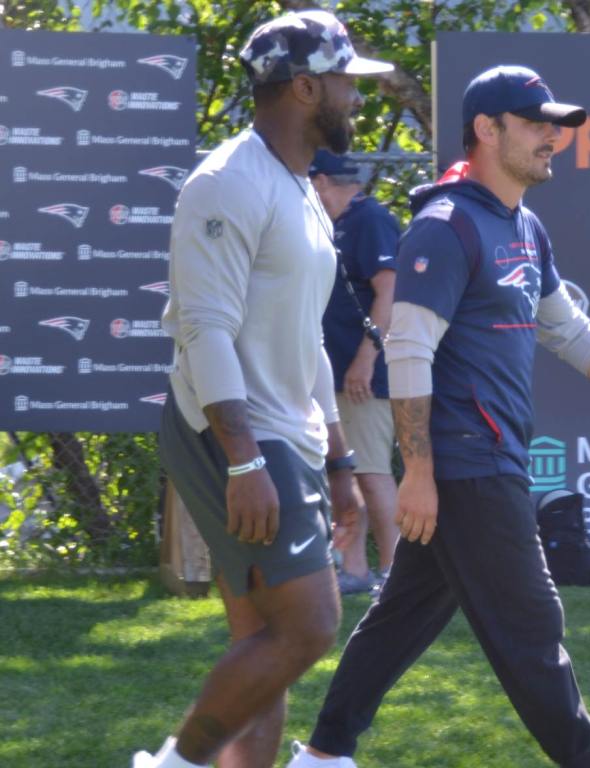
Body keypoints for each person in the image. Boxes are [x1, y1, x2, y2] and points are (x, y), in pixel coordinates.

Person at [287, 65, 590, 768]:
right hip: (465, 464)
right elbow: (410, 348)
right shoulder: (446, 226)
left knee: (402, 619)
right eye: (537, 122)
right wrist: (419, 470)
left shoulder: (522, 225)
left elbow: (570, 333)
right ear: (487, 130)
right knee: (530, 625)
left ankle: (324, 756)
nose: (554, 136)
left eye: (557, 125)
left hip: (476, 462)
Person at [134, 11, 392, 768]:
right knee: (309, 624)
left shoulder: (297, 188)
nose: (356, 98)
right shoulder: (225, 183)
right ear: (307, 87)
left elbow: (305, 335)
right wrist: (244, 460)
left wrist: (339, 460)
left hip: (285, 434)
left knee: (265, 639)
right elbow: (205, 331)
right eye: (347, 82)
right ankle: (173, 766)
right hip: (234, 430)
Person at [309, 151, 401, 595]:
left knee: (371, 470)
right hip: (334, 373)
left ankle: (395, 574)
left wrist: (367, 357)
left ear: (323, 180)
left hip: (366, 374)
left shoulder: (370, 219)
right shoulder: (329, 223)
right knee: (343, 469)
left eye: (309, 185)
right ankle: (356, 569)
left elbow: (390, 291)